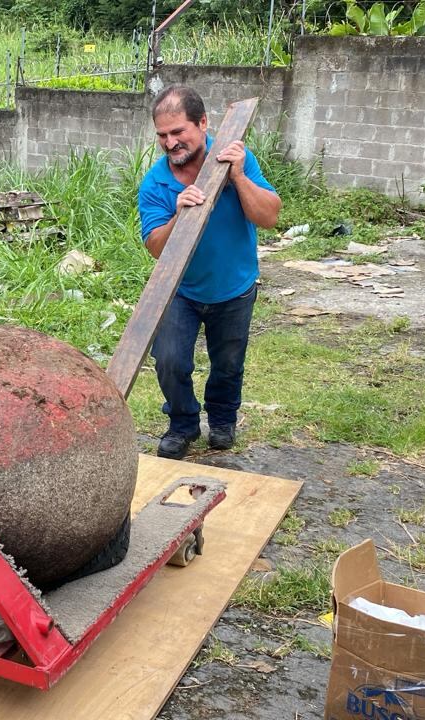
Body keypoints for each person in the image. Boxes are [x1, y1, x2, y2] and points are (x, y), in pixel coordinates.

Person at [137, 85, 281, 458]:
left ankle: (222, 421)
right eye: (162, 135)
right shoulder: (156, 183)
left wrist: (237, 177)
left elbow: (270, 216)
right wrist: (178, 215)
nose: (170, 143)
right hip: (180, 290)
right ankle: (183, 423)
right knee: (169, 360)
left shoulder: (235, 158)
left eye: (178, 132)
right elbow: (155, 247)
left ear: (202, 123)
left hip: (234, 287)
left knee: (228, 361)